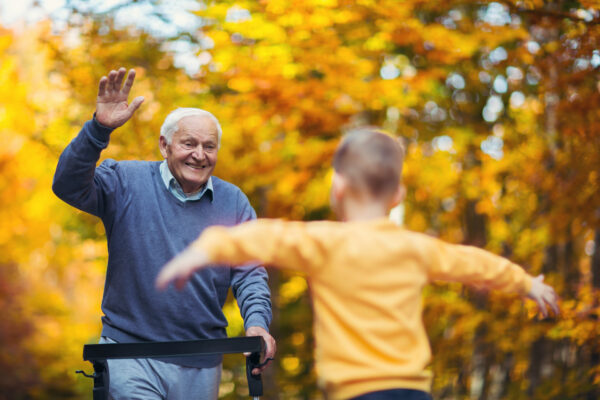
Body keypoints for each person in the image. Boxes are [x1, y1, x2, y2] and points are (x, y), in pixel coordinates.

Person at [156, 128, 560, 400]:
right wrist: (528, 284)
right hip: (412, 390)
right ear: (398, 194)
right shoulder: (417, 247)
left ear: (339, 188)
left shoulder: (325, 241)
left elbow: (259, 235)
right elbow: (476, 264)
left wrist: (200, 252)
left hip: (355, 392)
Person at [52, 67, 275, 400]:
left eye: (209, 146)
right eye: (189, 143)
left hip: (201, 360)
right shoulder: (124, 181)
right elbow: (67, 185)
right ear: (164, 145)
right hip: (129, 354)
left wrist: (257, 323)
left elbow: (249, 274)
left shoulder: (233, 202)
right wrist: (98, 130)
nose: (200, 155)